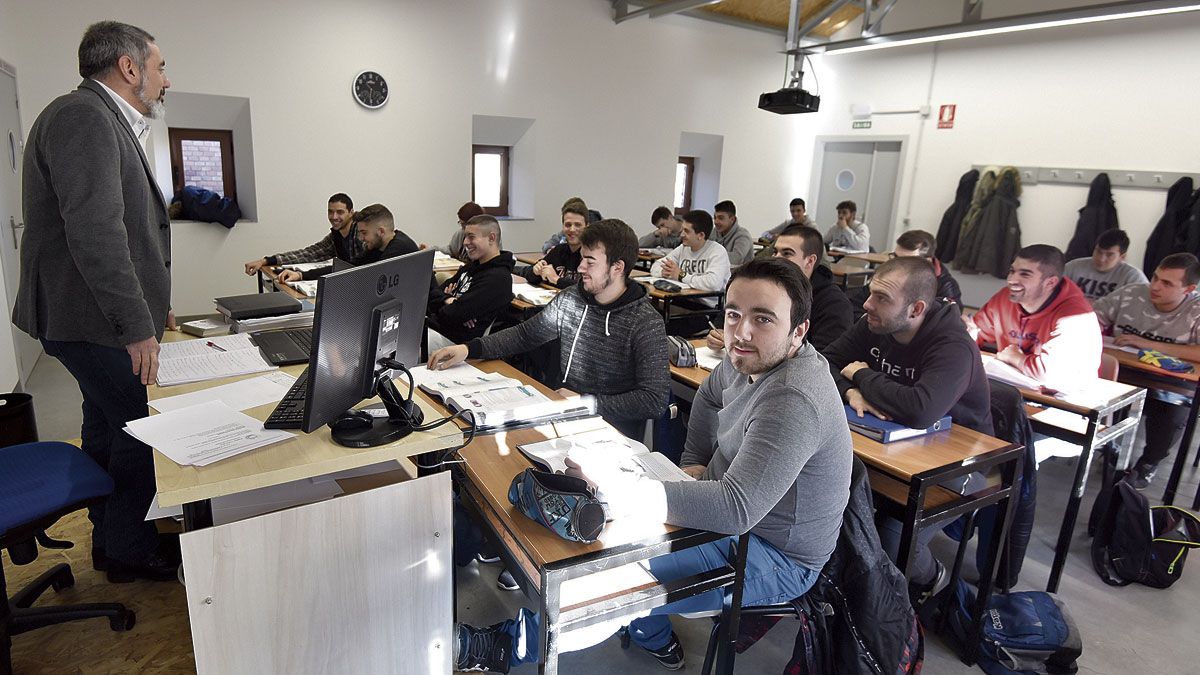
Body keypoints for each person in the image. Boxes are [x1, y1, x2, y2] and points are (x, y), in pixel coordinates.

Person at [450, 258, 853, 673]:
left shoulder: (793, 398)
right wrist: (693, 463)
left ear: (798, 331)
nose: (742, 332)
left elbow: (736, 510)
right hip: (735, 518)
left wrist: (616, 491)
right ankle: (653, 633)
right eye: (734, 314)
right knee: (601, 527)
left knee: (617, 575)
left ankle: (500, 647)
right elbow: (709, 398)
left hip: (775, 554)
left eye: (763, 319)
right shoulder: (746, 359)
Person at [12, 21, 177, 582]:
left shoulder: (97, 117)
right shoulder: (85, 116)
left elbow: (128, 228)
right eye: (159, 67)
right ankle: (130, 552)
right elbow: (96, 234)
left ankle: (108, 542)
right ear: (129, 68)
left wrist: (155, 307)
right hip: (92, 319)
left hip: (88, 317)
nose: (165, 79)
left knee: (106, 426)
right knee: (140, 428)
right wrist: (138, 326)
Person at [823, 257, 993, 600]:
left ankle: (934, 583)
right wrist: (850, 391)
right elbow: (823, 361)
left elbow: (920, 409)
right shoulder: (875, 323)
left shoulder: (953, 346)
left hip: (961, 462)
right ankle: (851, 588)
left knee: (894, 536)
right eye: (871, 293)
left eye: (882, 298)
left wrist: (860, 375)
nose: (868, 304)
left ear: (916, 308)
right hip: (892, 446)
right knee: (830, 497)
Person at [430, 219, 668, 439]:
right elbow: (525, 335)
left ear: (617, 267)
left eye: (590, 261)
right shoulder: (572, 299)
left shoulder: (645, 322)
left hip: (608, 431)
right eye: (582, 258)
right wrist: (468, 350)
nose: (581, 267)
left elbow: (654, 400)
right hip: (562, 413)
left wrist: (587, 402)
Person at [1093, 253, 1200, 489]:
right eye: (1155, 277)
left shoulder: (1196, 309)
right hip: (1124, 373)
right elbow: (1089, 318)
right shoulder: (1131, 293)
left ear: (1189, 289)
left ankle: (1148, 464)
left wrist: (1150, 344)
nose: (1155, 286)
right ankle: (1111, 449)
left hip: (1173, 383)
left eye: (1167, 283)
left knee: (1172, 414)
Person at [967, 244, 1101, 385]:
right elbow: (975, 333)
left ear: (1050, 283)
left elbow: (1049, 373)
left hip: (1064, 399)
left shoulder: (1075, 315)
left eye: (1025, 274)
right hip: (1012, 387)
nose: (1011, 280)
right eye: (1012, 271)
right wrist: (966, 332)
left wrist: (1017, 358)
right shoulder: (1004, 298)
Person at [705, 225, 852, 352]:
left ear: (810, 261)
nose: (776, 258)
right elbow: (724, 319)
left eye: (787, 253)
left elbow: (825, 360)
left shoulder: (834, 305)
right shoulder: (763, 287)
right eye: (775, 252)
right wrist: (718, 334)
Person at [426, 214, 516, 346]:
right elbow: (430, 296)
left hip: (452, 344)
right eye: (465, 236)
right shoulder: (472, 267)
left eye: (471, 237)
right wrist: (448, 299)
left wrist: (450, 305)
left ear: (491, 238)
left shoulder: (497, 279)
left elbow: (451, 315)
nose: (465, 242)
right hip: (434, 328)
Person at [277, 204, 418, 281]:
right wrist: (302, 275)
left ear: (381, 231)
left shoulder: (399, 249)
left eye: (364, 233)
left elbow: (368, 281)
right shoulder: (379, 246)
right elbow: (349, 267)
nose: (361, 238)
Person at [243, 193, 359, 275]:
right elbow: (309, 254)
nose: (334, 217)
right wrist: (266, 261)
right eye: (330, 212)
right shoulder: (336, 236)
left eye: (340, 212)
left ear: (351, 213)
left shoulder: (360, 234)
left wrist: (301, 275)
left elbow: (352, 268)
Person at [649, 209, 731, 303]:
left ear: (700, 235)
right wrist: (663, 272)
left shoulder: (717, 251)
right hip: (683, 300)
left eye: (686, 231)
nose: (682, 234)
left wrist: (681, 275)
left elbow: (713, 283)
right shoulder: (683, 248)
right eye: (683, 230)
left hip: (707, 308)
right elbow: (656, 265)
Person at [1063, 229, 1148, 302]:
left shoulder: (1133, 277)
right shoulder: (1073, 267)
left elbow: (1140, 306)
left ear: (1122, 257)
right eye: (1098, 251)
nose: (1101, 259)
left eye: (1109, 255)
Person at [522, 198, 588, 288]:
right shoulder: (558, 250)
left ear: (587, 227)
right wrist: (535, 271)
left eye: (578, 225)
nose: (572, 229)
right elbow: (531, 276)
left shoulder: (591, 256)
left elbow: (588, 288)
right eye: (568, 225)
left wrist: (556, 279)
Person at [893, 229, 962, 306]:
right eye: (896, 257)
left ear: (927, 261)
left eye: (908, 261)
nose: (897, 264)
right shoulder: (887, 271)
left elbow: (952, 313)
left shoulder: (946, 286)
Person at [711, 199, 754, 267]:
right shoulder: (713, 232)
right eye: (715, 218)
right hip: (719, 271)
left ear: (732, 219)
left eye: (721, 218)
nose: (716, 222)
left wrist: (711, 255)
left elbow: (736, 259)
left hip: (742, 274)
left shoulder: (743, 235)